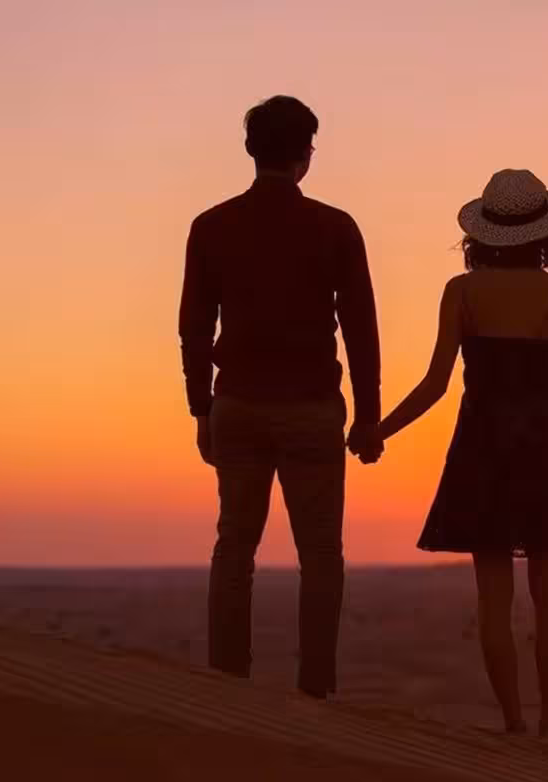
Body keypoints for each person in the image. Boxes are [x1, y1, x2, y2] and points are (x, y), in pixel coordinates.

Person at [178, 95, 383, 698]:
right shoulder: (335, 227)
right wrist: (368, 416)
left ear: (250, 149)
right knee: (321, 555)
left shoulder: (212, 226)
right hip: (312, 407)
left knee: (234, 546)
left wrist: (201, 406)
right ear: (306, 155)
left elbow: (194, 325)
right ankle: (316, 690)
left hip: (237, 403)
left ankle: (226, 683)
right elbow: (361, 328)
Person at [375, 169, 548, 736]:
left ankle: (514, 723)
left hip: (483, 450)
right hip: (546, 449)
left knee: (493, 601)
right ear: (543, 233)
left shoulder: (462, 292)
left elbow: (435, 385)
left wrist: (377, 430)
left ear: (485, 233)